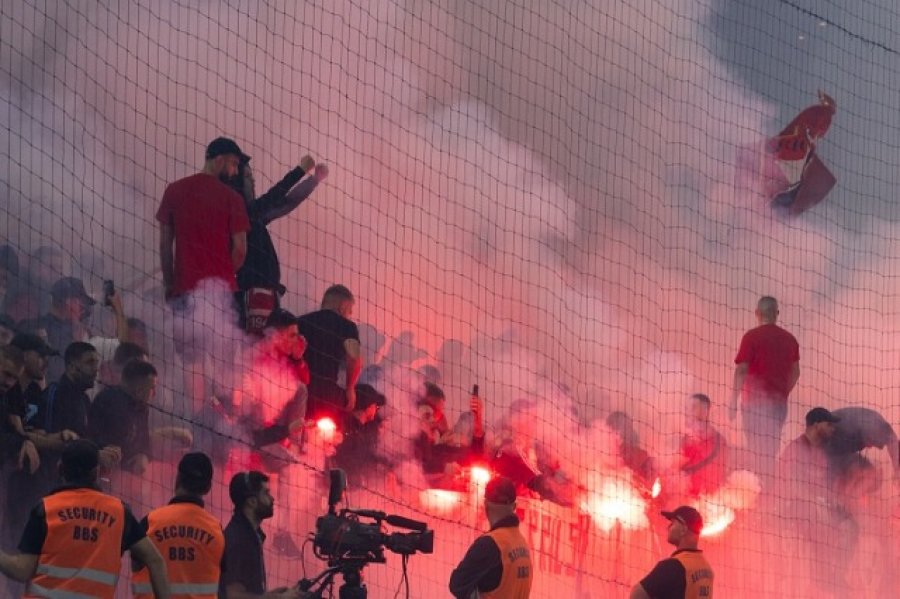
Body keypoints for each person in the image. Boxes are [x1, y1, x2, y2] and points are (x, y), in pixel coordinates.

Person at [0, 439, 170, 598]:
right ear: (96, 472)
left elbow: (21, 570)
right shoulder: (119, 512)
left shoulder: (45, 509)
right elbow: (155, 560)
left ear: (60, 468)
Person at [157, 136, 251, 415]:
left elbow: (165, 244)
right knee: (224, 361)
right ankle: (225, 425)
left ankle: (195, 419)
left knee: (191, 362)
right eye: (233, 164)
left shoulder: (174, 190)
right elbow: (240, 248)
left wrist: (169, 281)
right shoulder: (232, 198)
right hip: (223, 293)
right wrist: (223, 276)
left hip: (184, 290)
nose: (234, 172)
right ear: (218, 159)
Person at [233, 154, 329, 335]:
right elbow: (276, 196)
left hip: (266, 293)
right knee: (257, 348)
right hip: (253, 293)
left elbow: (287, 202)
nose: (252, 181)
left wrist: (313, 180)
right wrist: (300, 171)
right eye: (247, 177)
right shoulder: (242, 212)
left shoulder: (254, 216)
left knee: (265, 347)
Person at [132, 452, 224, 599]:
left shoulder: (150, 522)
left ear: (178, 480)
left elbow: (135, 564)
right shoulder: (217, 531)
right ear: (208, 488)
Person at [730, 296, 799, 484]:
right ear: (776, 313)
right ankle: (768, 489)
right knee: (770, 449)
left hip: (753, 404)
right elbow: (795, 373)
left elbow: (742, 369)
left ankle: (757, 488)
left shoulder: (751, 337)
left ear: (757, 313)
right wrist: (783, 393)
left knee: (755, 450)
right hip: (778, 406)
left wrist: (732, 401)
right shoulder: (790, 340)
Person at [220, 471, 304, 598]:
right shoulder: (238, 541)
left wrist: (271, 595)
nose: (272, 498)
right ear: (251, 502)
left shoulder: (250, 535)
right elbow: (233, 595)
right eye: (266, 493)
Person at [449, 476, 532, 598]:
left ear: (486, 505)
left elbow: (456, 585)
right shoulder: (522, 543)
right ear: (514, 506)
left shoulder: (489, 543)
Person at [298, 285, 362, 421]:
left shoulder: (300, 322)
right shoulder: (347, 326)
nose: (349, 315)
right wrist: (350, 388)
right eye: (350, 310)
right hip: (328, 393)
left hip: (301, 390)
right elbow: (355, 358)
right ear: (343, 305)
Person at [630, 506, 713, 599]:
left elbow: (637, 594)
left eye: (673, 523)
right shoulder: (706, 567)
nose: (668, 527)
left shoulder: (673, 566)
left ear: (683, 529)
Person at [39, 277, 96, 382]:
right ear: (69, 302)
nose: (83, 310)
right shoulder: (47, 329)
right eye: (81, 303)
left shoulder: (72, 328)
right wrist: (77, 342)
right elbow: (58, 370)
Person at [332, 384, 391, 486]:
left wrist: (386, 467)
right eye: (376, 406)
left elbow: (368, 456)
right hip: (345, 488)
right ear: (368, 406)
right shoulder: (345, 427)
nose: (377, 409)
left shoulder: (361, 429)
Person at [826, 406, 900, 479]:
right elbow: (892, 440)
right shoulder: (842, 433)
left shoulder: (872, 424)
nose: (872, 446)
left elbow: (892, 441)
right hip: (832, 445)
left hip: (839, 446)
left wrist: (896, 470)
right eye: (873, 442)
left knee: (870, 476)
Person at [680, 394, 727, 497]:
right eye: (691, 407)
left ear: (706, 411)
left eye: (694, 407)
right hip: (682, 491)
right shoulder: (683, 437)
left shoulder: (719, 441)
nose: (691, 411)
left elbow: (720, 472)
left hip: (707, 496)